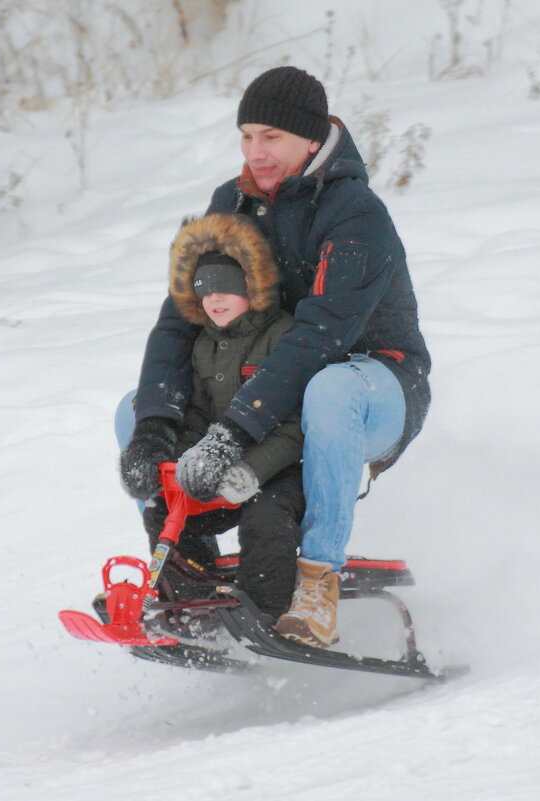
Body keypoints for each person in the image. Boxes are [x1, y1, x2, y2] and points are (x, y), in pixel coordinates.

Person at [120, 65, 430, 649]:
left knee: (329, 388)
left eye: (272, 138)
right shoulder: (232, 203)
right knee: (133, 409)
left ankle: (317, 582)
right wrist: (154, 427)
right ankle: (189, 568)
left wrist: (234, 431)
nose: (255, 152)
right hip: (267, 385)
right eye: (246, 136)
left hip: (374, 384)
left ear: (313, 139)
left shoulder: (355, 212)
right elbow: (178, 318)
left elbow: (323, 336)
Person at [122, 212, 305, 619]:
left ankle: (268, 613)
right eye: (204, 290)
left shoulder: (284, 336)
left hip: (281, 475)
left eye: (227, 287)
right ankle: (191, 607)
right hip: (218, 470)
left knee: (265, 519)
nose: (214, 299)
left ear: (254, 285)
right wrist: (177, 465)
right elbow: (197, 414)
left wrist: (252, 470)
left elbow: (295, 424)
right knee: (165, 512)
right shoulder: (204, 346)